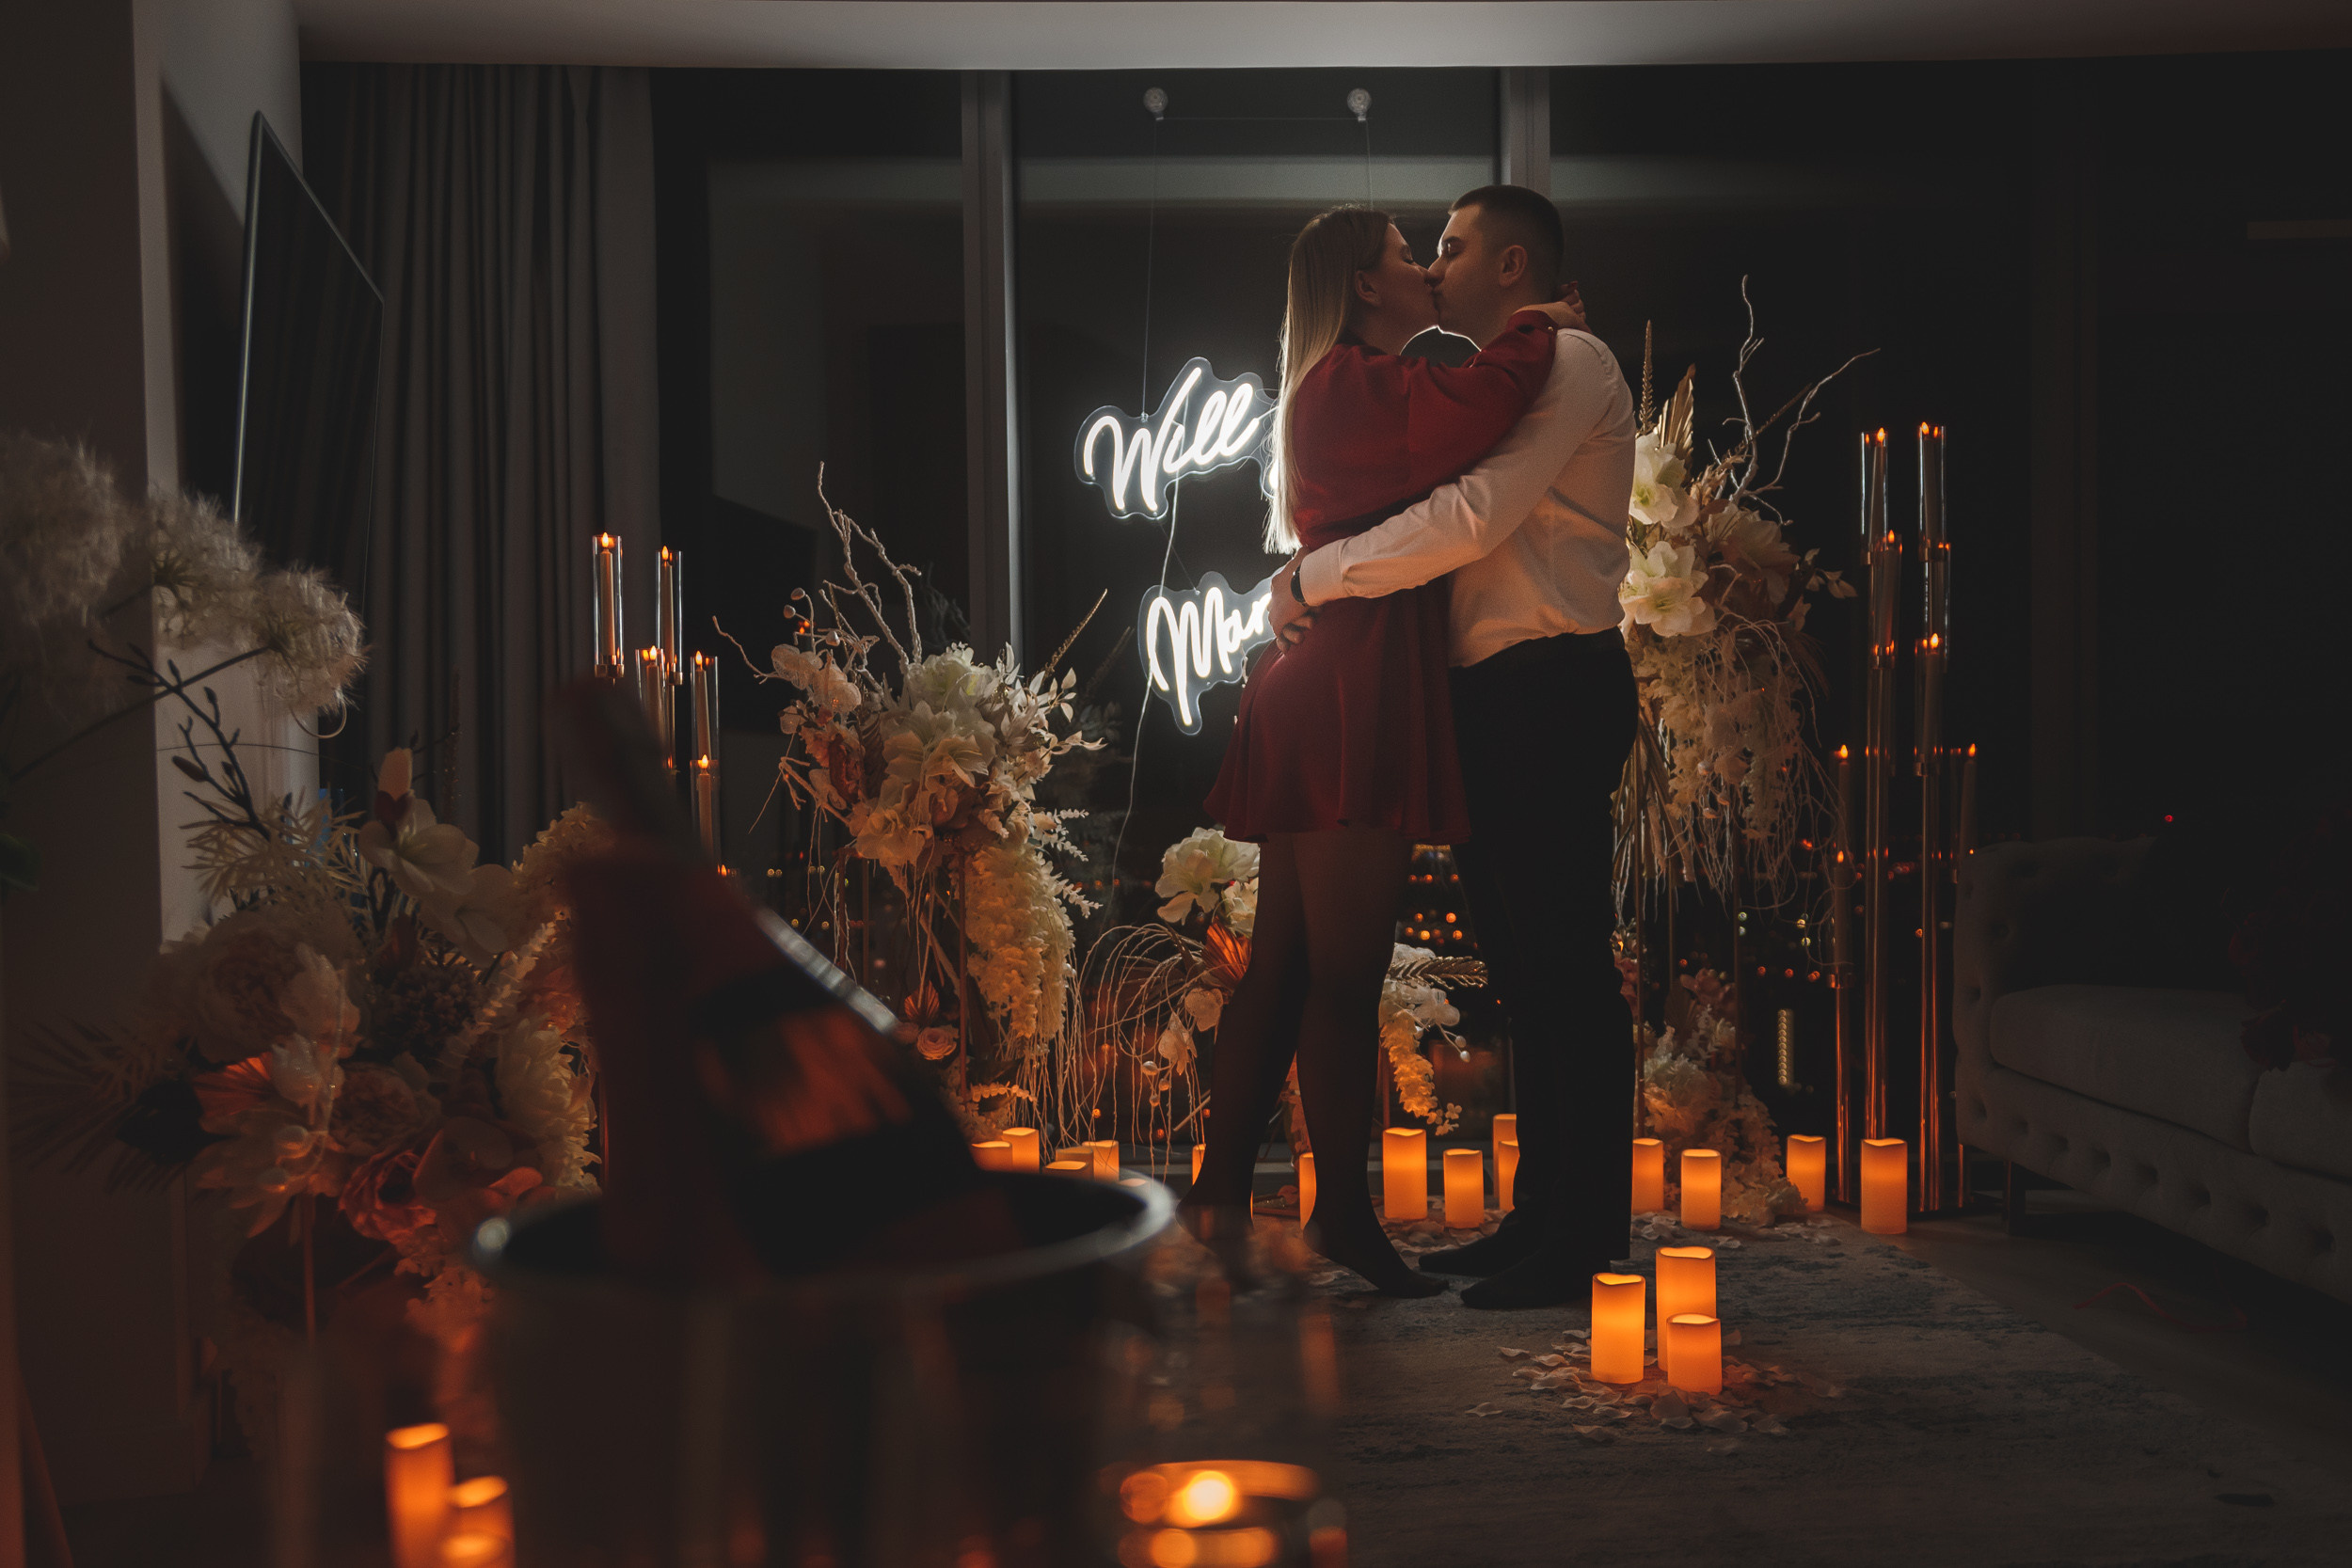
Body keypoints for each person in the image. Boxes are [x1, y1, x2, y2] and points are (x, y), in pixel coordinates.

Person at [1181, 206, 1581, 1296]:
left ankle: (1222, 1201)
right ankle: (1341, 1216)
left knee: (1291, 966)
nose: (1427, 272)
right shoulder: (1355, 386)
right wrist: (1537, 327)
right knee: (1343, 974)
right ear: (1364, 286)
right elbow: (1483, 403)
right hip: (1346, 694)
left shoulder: (1338, 388)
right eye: (1411, 255)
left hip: (1328, 687)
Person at [1271, 185, 1640, 1309]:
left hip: (1552, 688)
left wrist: (1305, 578)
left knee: (1566, 970)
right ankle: (1540, 1219)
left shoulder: (1569, 365)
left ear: (1514, 264)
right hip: (1494, 699)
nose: (1435, 264)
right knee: (1524, 975)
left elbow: (1469, 521)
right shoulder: (1485, 378)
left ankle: (1584, 1239)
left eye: (1453, 245)